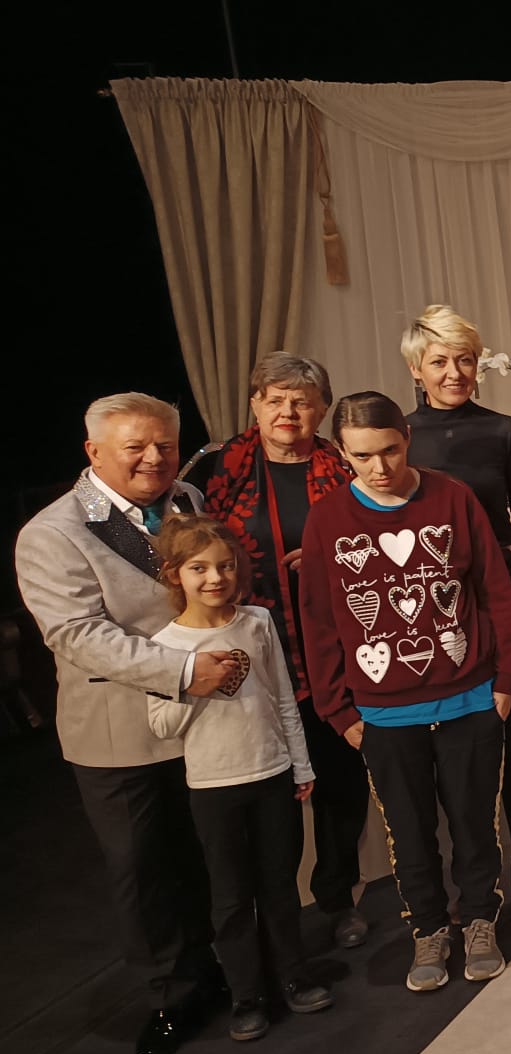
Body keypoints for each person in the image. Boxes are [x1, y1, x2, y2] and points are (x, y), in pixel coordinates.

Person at [17, 392, 232, 1054]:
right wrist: (185, 669)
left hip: (201, 718)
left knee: (204, 852)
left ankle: (223, 967)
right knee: (143, 868)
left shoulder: (187, 499)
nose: (153, 458)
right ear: (94, 452)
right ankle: (172, 995)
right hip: (118, 730)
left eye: (165, 445)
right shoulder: (52, 533)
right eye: (135, 447)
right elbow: (78, 635)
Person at [298, 392, 511, 994]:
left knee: (474, 824)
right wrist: (337, 708)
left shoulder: (452, 498)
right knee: (408, 831)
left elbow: (495, 589)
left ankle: (479, 920)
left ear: (407, 437)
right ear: (341, 454)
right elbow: (317, 619)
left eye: (390, 450)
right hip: (383, 712)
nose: (379, 467)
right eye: (362, 456)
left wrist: (506, 679)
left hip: (470, 699)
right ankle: (428, 928)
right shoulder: (328, 519)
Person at [183, 352, 370, 948]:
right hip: (254, 655)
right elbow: (193, 549)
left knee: (341, 784)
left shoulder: (344, 465)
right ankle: (279, 916)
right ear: (255, 405)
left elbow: (374, 539)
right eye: (275, 399)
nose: (288, 411)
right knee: (274, 793)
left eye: (302, 401)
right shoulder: (219, 469)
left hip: (336, 650)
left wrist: (327, 557)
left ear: (322, 409)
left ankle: (338, 898)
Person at [146, 516, 332, 1042]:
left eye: (225, 566)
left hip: (271, 774)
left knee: (280, 885)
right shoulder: (163, 644)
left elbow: (282, 699)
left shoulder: (257, 621)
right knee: (230, 896)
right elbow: (160, 725)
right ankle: (246, 994)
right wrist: (195, 685)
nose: (215, 578)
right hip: (213, 786)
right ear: (175, 574)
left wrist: (300, 765)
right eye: (199, 568)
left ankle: (293, 976)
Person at [402, 306, 511, 922]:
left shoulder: (505, 431)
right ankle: (468, 869)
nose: (455, 372)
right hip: (432, 610)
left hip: (502, 598)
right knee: (454, 746)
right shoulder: (401, 436)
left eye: (465, 360)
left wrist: (503, 577)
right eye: (440, 361)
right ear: (416, 368)